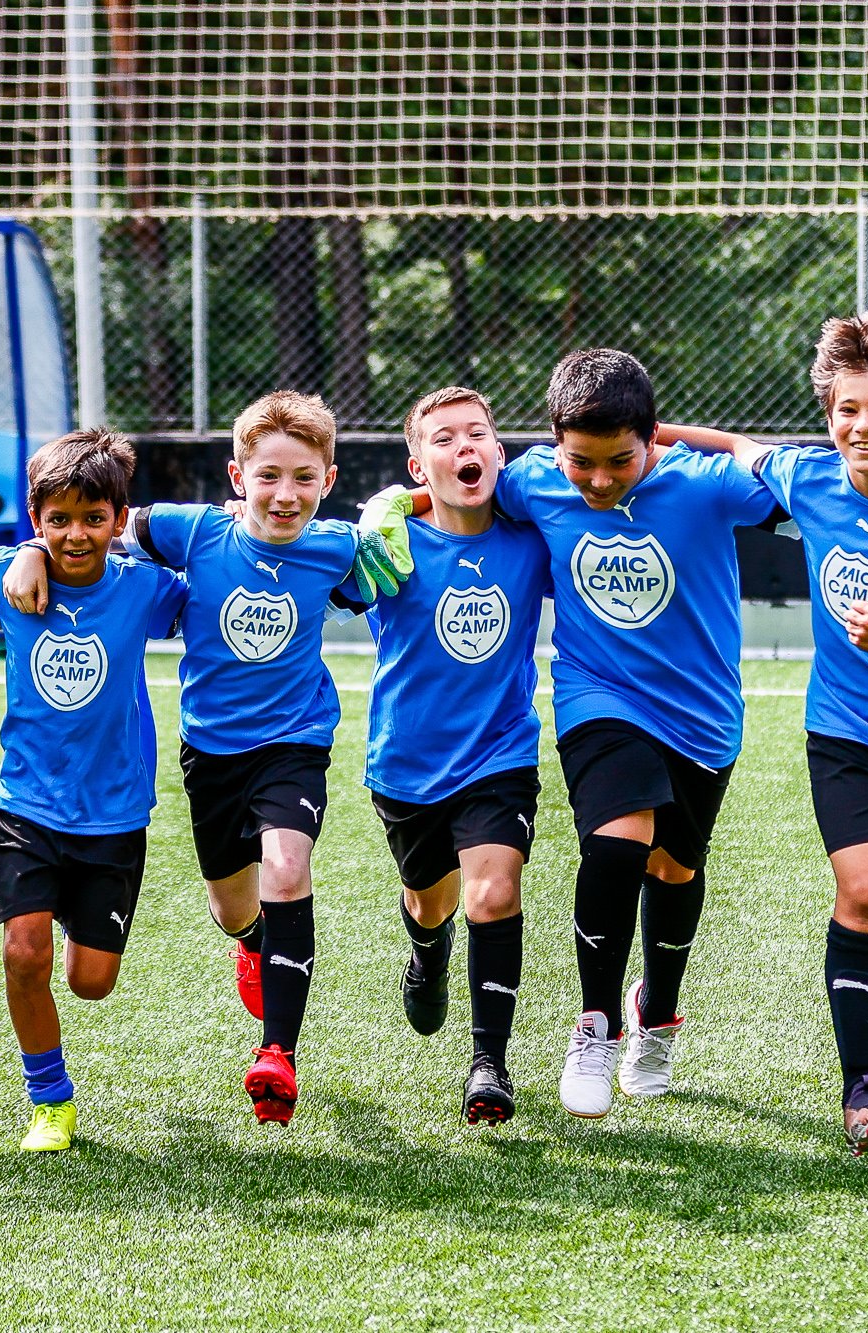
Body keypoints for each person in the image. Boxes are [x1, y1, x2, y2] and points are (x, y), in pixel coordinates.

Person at [365, 349, 785, 1118]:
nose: (594, 480)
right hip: (599, 696)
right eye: (578, 461)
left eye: (618, 459)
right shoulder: (530, 480)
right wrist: (387, 506)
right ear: (552, 445)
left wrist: (726, 443)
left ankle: (653, 1012)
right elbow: (452, 496)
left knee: (674, 869)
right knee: (617, 843)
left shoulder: (703, 483)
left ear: (650, 439)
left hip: (700, 714)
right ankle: (591, 1026)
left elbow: (803, 486)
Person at [3, 390, 392, 1125]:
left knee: (286, 867)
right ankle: (251, 943)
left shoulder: (337, 548)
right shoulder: (187, 531)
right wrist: (29, 548)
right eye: (269, 475)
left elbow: (388, 577)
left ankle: (278, 1053)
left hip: (295, 742)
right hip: (210, 750)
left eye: (304, 478)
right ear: (237, 474)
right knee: (232, 906)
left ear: (328, 481)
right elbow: (96, 522)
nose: (285, 494)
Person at [657, 314, 868, 1154]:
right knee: (866, 893)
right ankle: (860, 1092)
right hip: (842, 730)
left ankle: (858, 964)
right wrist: (652, 434)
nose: (860, 426)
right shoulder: (810, 478)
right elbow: (738, 448)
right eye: (846, 409)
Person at [0, 428, 186, 1152]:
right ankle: (50, 1099)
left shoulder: (144, 585)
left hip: (113, 813)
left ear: (118, 517)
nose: (75, 534)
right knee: (23, 955)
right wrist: (21, 552)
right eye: (57, 520)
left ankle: (73, 916)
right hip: (26, 804)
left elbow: (213, 578)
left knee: (91, 984)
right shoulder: (9, 575)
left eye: (92, 517)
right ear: (36, 518)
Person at [361, 386, 552, 1124]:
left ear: (499, 455)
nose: (463, 447)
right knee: (430, 900)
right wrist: (381, 510)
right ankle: (426, 947)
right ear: (418, 465)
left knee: (493, 894)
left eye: (478, 434)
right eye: (443, 438)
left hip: (499, 756)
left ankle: (488, 1064)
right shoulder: (389, 541)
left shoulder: (530, 538)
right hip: (405, 764)